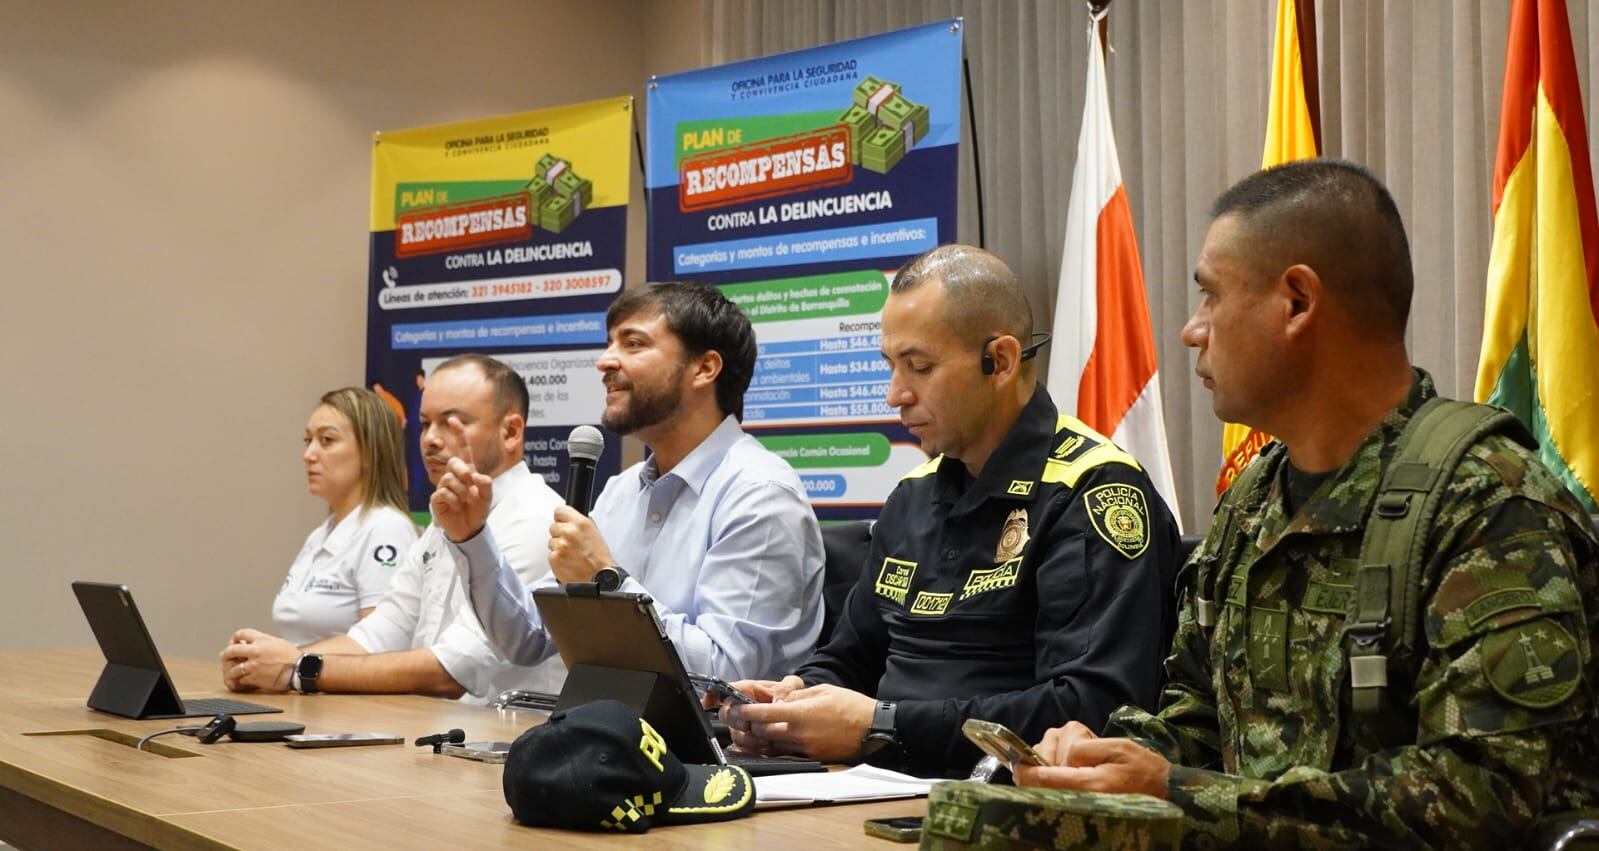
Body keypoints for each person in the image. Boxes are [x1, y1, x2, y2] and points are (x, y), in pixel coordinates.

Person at [1013, 160, 1599, 847]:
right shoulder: (1254, 497)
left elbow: (1477, 797)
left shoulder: (1487, 502)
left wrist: (1174, 792)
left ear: (1296, 301)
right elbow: (1199, 715)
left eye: (1208, 296)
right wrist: (1103, 759)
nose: (1191, 330)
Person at [719, 245, 1183, 777]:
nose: (895, 395)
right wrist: (790, 701)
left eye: (919, 367)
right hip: (872, 783)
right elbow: (852, 656)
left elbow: (1092, 710)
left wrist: (882, 726)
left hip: (1006, 802)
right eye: (891, 366)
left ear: (1001, 361)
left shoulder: (1093, 491)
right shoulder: (912, 496)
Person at [434, 281, 825, 682]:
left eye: (633, 344)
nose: (605, 361)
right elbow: (529, 639)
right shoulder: (620, 493)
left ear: (705, 368)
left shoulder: (760, 495)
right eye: (609, 344)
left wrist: (607, 579)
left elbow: (726, 677)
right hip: (613, 734)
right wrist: (471, 538)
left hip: (716, 743)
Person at [221, 354, 567, 701]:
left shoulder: (536, 521)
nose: (430, 439)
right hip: (436, 736)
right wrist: (265, 663)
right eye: (426, 423)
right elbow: (383, 631)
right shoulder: (443, 520)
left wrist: (297, 668)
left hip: (506, 748)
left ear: (510, 432)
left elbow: (452, 670)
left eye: (452, 423)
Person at [272, 387, 417, 645]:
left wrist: (288, 662)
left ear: (370, 453)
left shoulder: (386, 529)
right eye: (308, 441)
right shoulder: (320, 535)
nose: (309, 455)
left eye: (327, 440)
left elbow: (382, 647)